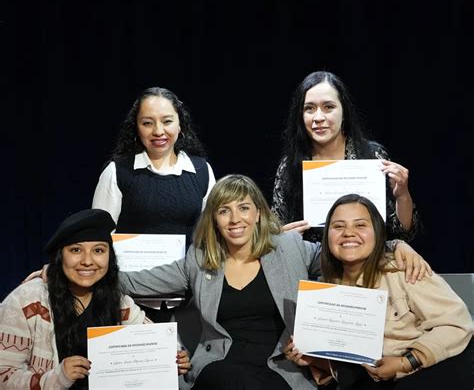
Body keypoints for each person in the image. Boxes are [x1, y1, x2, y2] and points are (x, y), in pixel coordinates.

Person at [117, 175, 431, 389]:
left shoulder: (289, 247)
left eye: (243, 208)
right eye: (224, 211)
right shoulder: (200, 259)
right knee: (227, 379)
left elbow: (345, 248)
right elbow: (132, 281)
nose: (235, 219)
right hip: (220, 365)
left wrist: (395, 245)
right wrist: (88, 265)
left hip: (280, 367)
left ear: (258, 213)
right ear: (213, 218)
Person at [284, 194, 473, 389]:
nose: (348, 233)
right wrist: (314, 358)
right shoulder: (326, 290)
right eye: (338, 226)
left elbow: (457, 324)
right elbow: (353, 367)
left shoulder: (404, 269)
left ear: (377, 232)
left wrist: (407, 362)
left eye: (360, 225)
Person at [0, 209, 191, 389]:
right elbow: (4, 377)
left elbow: (155, 339)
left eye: (98, 251)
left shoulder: (118, 301)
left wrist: (173, 356)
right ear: (60, 256)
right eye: (76, 250)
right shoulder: (26, 300)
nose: (88, 260)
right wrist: (58, 377)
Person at [92, 86, 216, 323]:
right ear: (136, 128)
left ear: (180, 125)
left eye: (167, 121)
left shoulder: (202, 171)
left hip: (190, 303)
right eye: (147, 123)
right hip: (128, 303)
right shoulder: (117, 172)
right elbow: (98, 238)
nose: (158, 131)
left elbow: (212, 236)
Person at [272, 71, 422, 243]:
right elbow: (275, 231)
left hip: (366, 262)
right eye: (309, 108)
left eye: (328, 107)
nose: (318, 117)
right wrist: (282, 236)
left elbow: (402, 233)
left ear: (344, 111)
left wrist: (402, 195)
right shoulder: (290, 166)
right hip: (311, 265)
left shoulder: (372, 156)